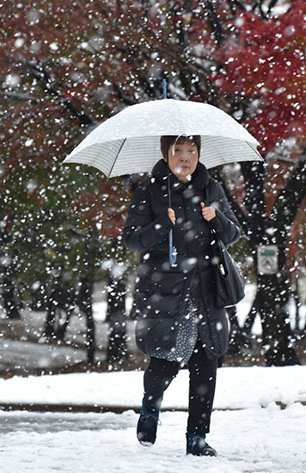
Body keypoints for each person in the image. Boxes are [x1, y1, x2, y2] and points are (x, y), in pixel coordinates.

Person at [123, 135, 241, 456]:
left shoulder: (211, 189)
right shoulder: (149, 191)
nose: (185, 157)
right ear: (166, 154)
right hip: (166, 292)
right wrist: (162, 225)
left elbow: (233, 234)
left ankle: (197, 438)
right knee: (164, 364)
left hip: (206, 292)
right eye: (178, 150)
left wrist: (215, 218)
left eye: (192, 150)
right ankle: (150, 408)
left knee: (207, 366)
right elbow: (132, 241)